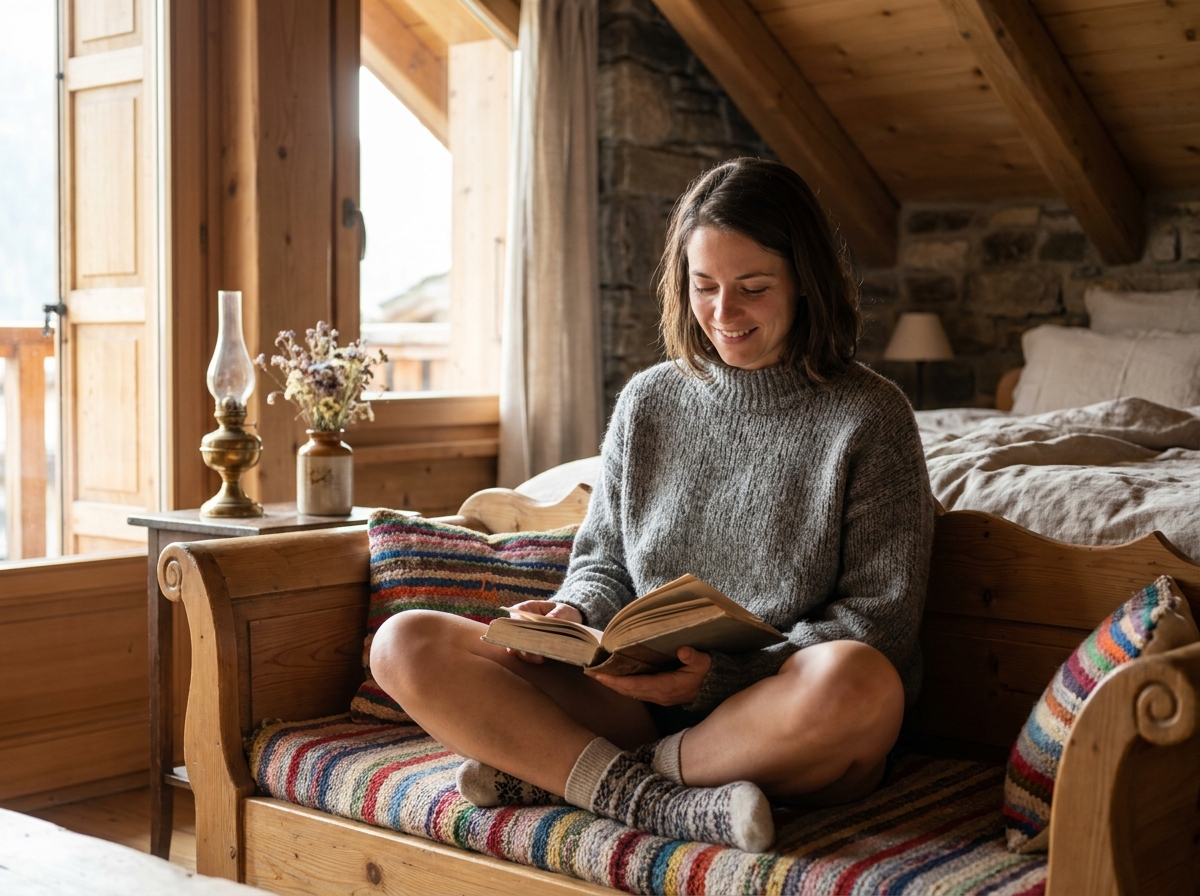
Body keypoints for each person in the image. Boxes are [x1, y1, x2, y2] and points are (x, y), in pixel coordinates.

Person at [369, 157, 936, 853]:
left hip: (781, 717)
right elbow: (604, 557)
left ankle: (574, 774)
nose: (722, 314)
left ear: (805, 284)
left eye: (752, 288)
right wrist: (573, 613)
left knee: (859, 681)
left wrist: (721, 677)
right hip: (635, 701)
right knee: (403, 643)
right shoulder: (650, 401)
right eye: (704, 287)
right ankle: (655, 801)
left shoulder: (869, 416)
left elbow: (878, 620)